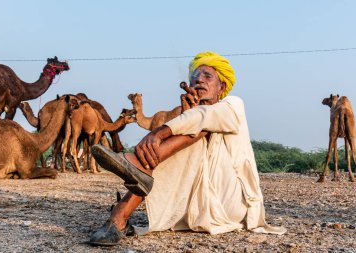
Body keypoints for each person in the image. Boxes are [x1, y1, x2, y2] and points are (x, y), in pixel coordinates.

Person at [89, 52, 286, 246]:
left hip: (232, 203)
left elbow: (204, 118)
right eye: (194, 77)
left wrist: (157, 133)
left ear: (222, 87)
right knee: (194, 129)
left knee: (200, 130)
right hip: (196, 207)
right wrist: (186, 113)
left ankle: (121, 211)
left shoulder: (233, 105)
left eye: (207, 76)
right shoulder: (194, 115)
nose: (199, 80)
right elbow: (196, 119)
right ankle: (140, 174)